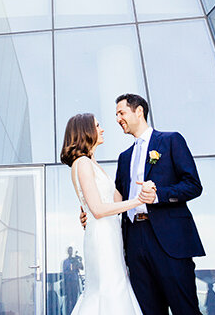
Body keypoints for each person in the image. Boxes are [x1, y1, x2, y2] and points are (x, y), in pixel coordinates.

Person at [110, 93, 206, 315]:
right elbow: (117, 199)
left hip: (169, 240)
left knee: (185, 309)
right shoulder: (124, 157)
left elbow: (193, 185)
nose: (118, 119)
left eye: (121, 112)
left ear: (139, 111)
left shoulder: (171, 140)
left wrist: (158, 195)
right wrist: (92, 213)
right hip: (134, 241)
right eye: (116, 115)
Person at [60, 112, 152, 315]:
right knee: (109, 289)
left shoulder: (91, 163)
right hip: (102, 238)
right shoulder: (82, 163)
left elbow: (114, 200)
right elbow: (98, 209)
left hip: (111, 235)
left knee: (116, 286)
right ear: (86, 131)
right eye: (97, 125)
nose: (102, 129)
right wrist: (139, 201)